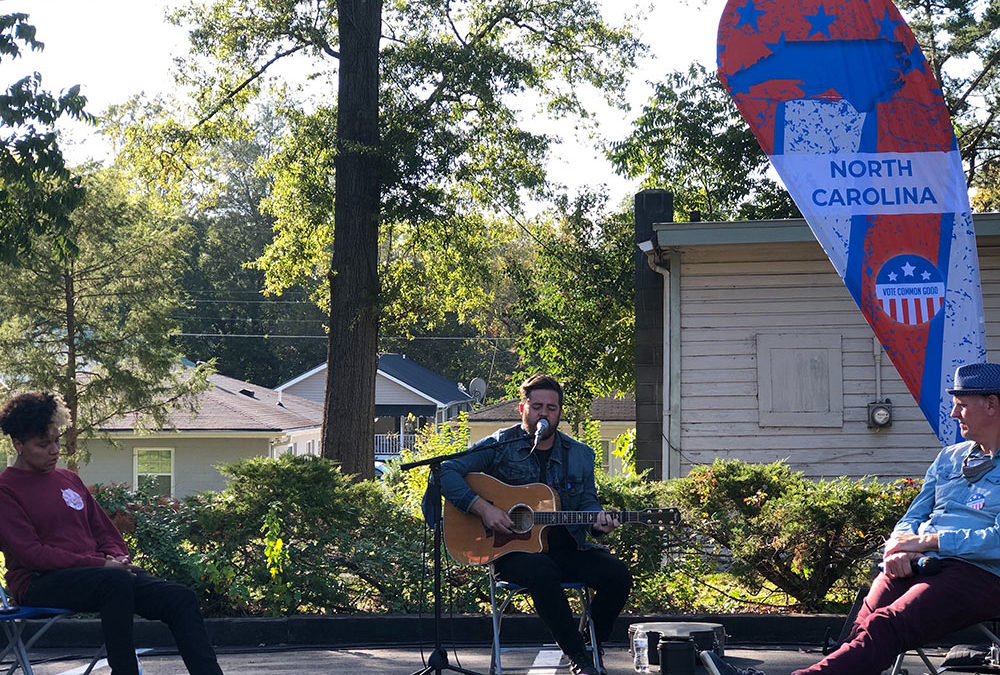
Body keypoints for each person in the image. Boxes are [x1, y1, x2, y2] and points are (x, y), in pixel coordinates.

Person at [701, 362, 1000, 675]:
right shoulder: (949, 458)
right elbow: (913, 515)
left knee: (887, 624)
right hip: (919, 562)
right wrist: (897, 548)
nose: (954, 415)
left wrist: (928, 541)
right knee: (864, 624)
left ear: (991, 404)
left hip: (979, 574)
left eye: (962, 406)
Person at [0, 391, 224, 675]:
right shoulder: (6, 489)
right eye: (43, 445)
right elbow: (32, 555)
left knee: (180, 598)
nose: (55, 450)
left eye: (57, 440)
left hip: (101, 576)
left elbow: (104, 531)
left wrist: (116, 557)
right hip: (38, 582)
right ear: (18, 444)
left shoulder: (68, 479)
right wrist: (102, 565)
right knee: (114, 582)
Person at [438, 374, 632, 675]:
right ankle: (580, 658)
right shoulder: (500, 445)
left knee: (618, 575)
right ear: (522, 408)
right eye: (537, 406)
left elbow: (587, 504)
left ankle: (590, 643)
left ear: (560, 412)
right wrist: (482, 509)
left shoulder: (580, 455)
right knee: (542, 571)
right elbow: (446, 471)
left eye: (551, 408)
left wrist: (598, 522)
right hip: (511, 552)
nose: (544, 413)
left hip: (566, 548)